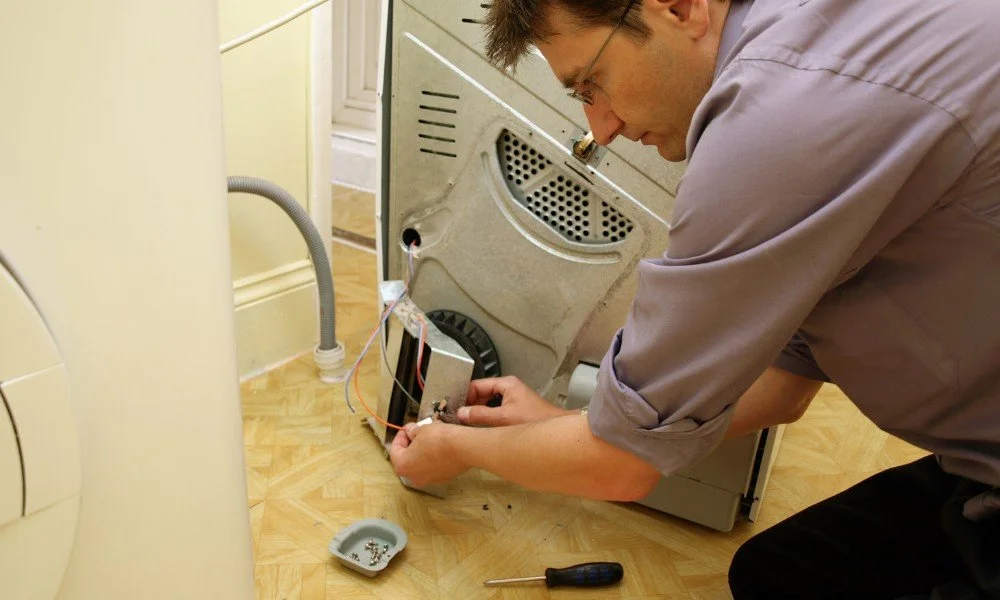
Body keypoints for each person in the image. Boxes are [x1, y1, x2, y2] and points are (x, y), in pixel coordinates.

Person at [389, 0, 1000, 597]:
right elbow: (783, 388)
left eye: (592, 83)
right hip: (976, 458)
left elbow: (621, 467)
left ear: (679, 8)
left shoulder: (777, 122)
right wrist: (576, 426)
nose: (601, 128)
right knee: (779, 572)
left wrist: (458, 449)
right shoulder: (817, 39)